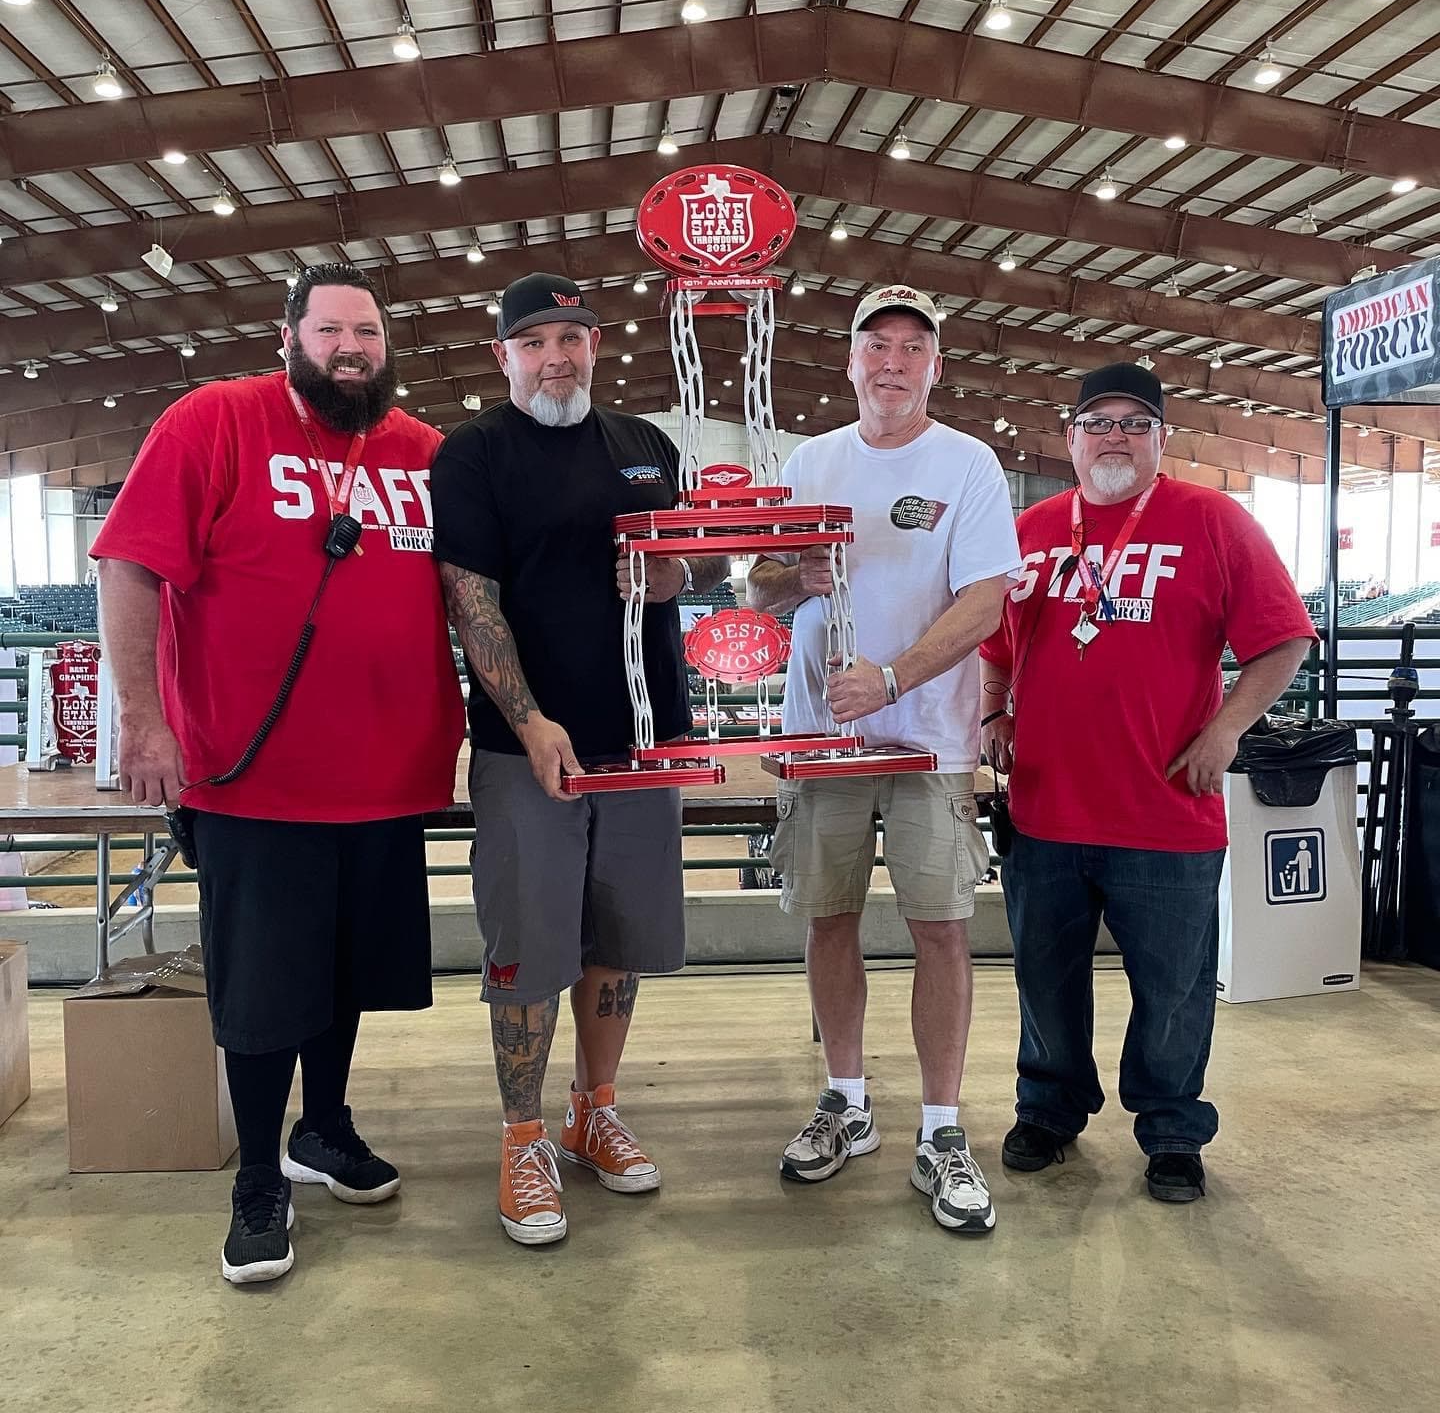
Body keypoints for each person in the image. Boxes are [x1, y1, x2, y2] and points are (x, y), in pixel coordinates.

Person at [94, 263, 464, 1285]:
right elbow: (128, 564)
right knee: (263, 991)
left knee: (344, 975)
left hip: (386, 776)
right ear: (289, 338)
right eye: (331, 330)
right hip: (252, 775)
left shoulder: (422, 450)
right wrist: (142, 721)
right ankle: (259, 1177)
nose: (351, 349)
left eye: (368, 333)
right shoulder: (215, 422)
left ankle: (323, 1129)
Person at [432, 272, 729, 1247]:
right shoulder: (474, 454)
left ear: (596, 345)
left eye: (571, 338)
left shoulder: (645, 446)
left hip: (644, 738)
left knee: (618, 938)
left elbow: (691, 563)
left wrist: (675, 574)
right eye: (534, 342)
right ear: (504, 356)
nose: (555, 358)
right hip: (531, 750)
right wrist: (529, 722)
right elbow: (471, 603)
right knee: (528, 950)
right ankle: (522, 1137)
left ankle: (591, 1109)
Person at [978, 362, 1314, 1202]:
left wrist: (1227, 729)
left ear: (1163, 438)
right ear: (1071, 439)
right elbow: (995, 642)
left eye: (1136, 423)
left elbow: (1283, 639)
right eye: (1099, 422)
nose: (1116, 437)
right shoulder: (1033, 530)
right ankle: (1049, 1110)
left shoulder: (1213, 520)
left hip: (1167, 812)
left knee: (1173, 992)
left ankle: (1171, 1131)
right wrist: (992, 713)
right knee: (1044, 981)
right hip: (1047, 810)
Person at [747, 284, 1021, 1234]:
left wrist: (892, 679)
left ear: (934, 367)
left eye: (912, 347)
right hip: (822, 738)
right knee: (828, 920)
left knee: (940, 928)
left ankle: (941, 1129)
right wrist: (794, 576)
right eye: (878, 345)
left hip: (929, 741)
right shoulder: (810, 460)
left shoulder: (968, 463)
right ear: (852, 362)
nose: (893, 363)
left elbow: (984, 603)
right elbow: (759, 588)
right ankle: (847, 1100)